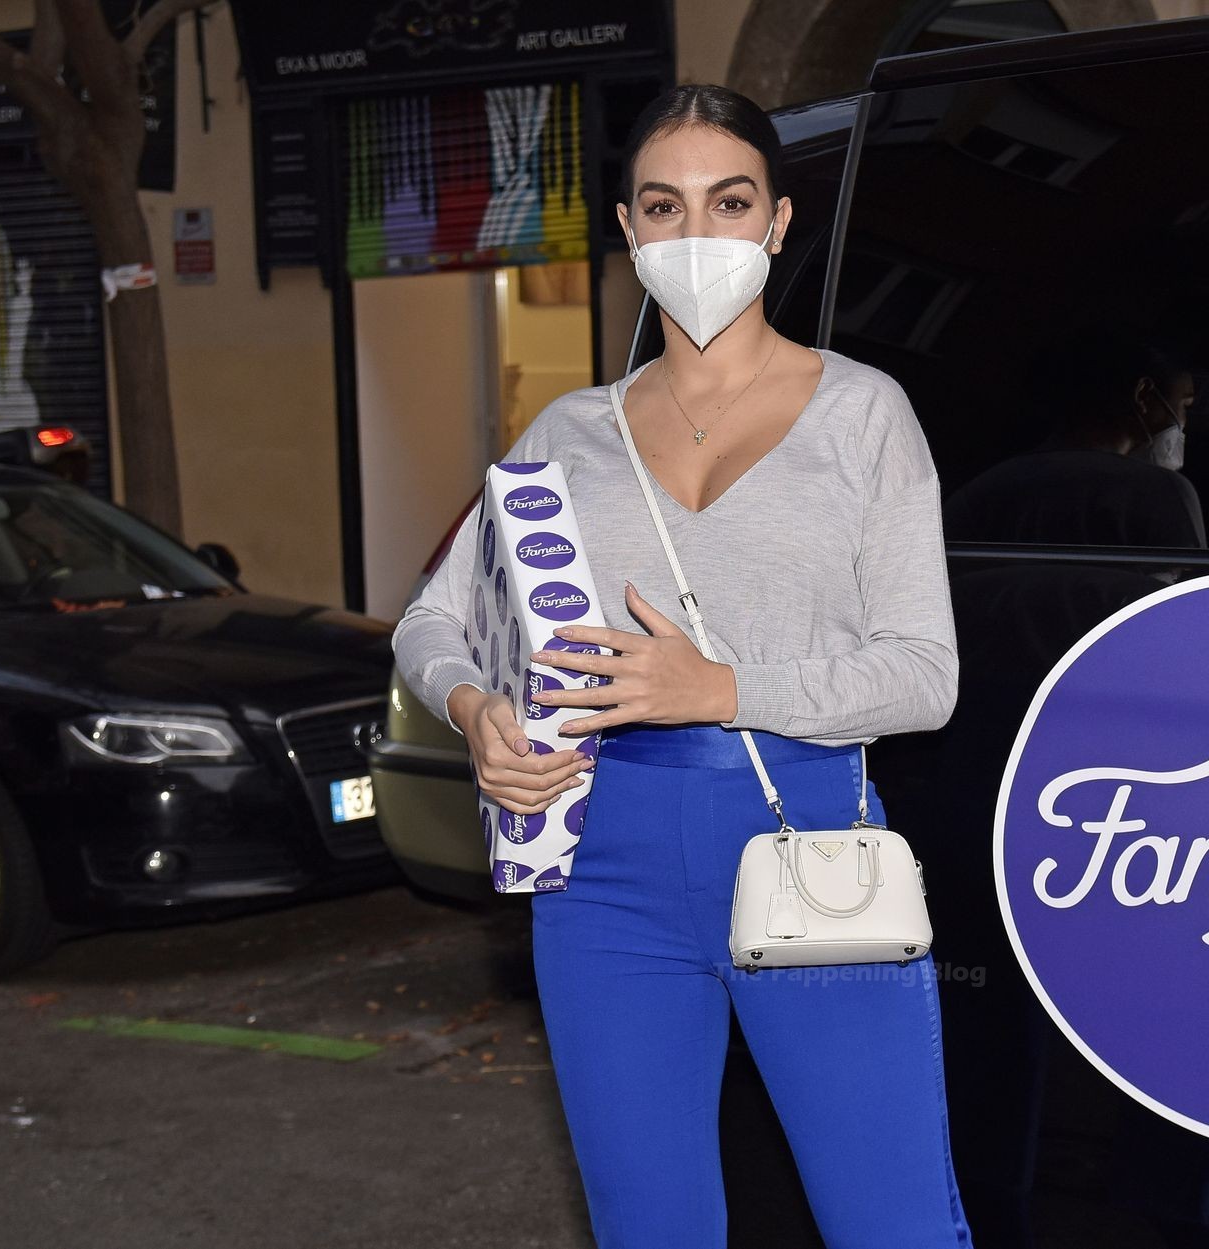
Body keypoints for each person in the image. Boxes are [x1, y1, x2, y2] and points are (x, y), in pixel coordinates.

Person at [392, 84, 973, 1249]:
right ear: (628, 230)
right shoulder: (570, 433)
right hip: (602, 868)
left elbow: (925, 674)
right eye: (665, 205)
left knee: (894, 1222)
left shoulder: (864, 415)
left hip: (812, 844)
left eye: (730, 201)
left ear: (779, 222)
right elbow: (429, 618)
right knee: (647, 1223)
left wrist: (721, 688)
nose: (697, 232)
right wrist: (477, 710)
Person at [942, 332, 1205, 549]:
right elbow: (1188, 593)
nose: (1183, 421)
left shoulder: (982, 490)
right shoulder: (1161, 492)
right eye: (1185, 404)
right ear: (1143, 395)